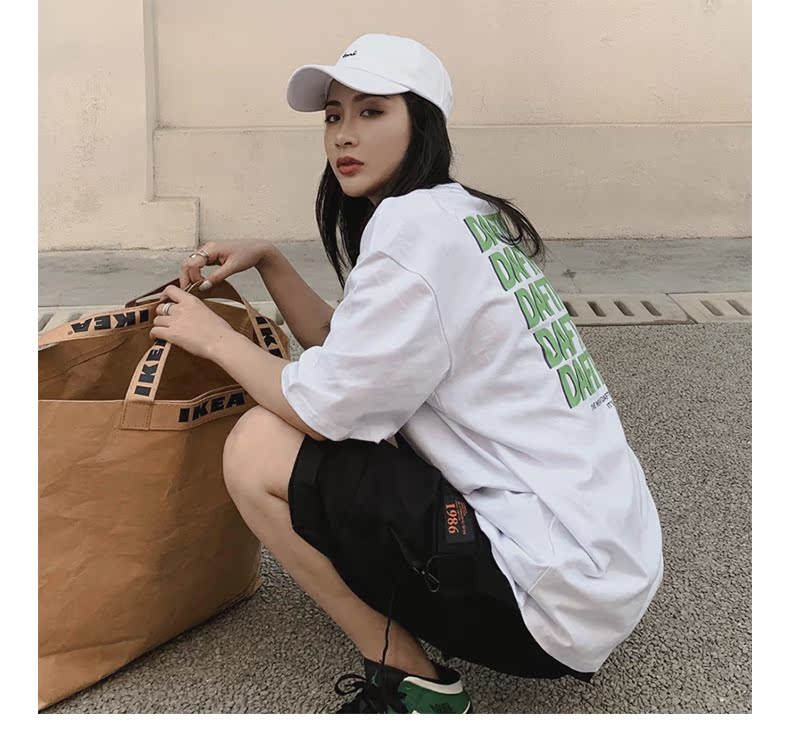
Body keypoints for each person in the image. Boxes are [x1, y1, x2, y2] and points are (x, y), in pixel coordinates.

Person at [150, 33, 664, 714]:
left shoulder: (411, 228)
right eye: (334, 116)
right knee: (363, 425)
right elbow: (355, 357)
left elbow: (324, 408)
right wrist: (272, 261)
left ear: (422, 123)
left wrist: (213, 339)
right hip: (608, 563)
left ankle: (412, 684)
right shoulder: (463, 213)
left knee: (256, 446)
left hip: (548, 595)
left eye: (372, 111)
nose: (344, 135)